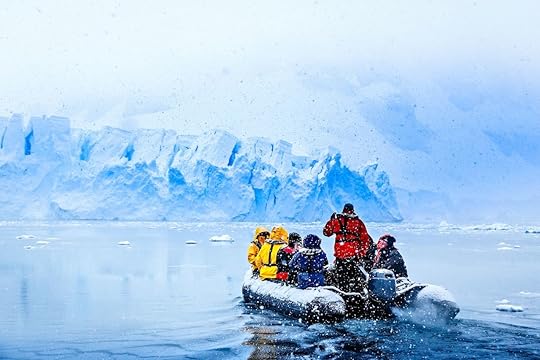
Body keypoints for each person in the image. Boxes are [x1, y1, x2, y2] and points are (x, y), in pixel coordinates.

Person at [323, 203, 371, 292]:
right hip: (353, 256)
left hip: (340, 256)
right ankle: (355, 294)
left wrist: (331, 221)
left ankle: (342, 292)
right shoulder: (358, 223)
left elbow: (326, 232)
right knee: (354, 277)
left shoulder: (337, 221)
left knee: (340, 277)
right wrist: (361, 253)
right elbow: (365, 240)